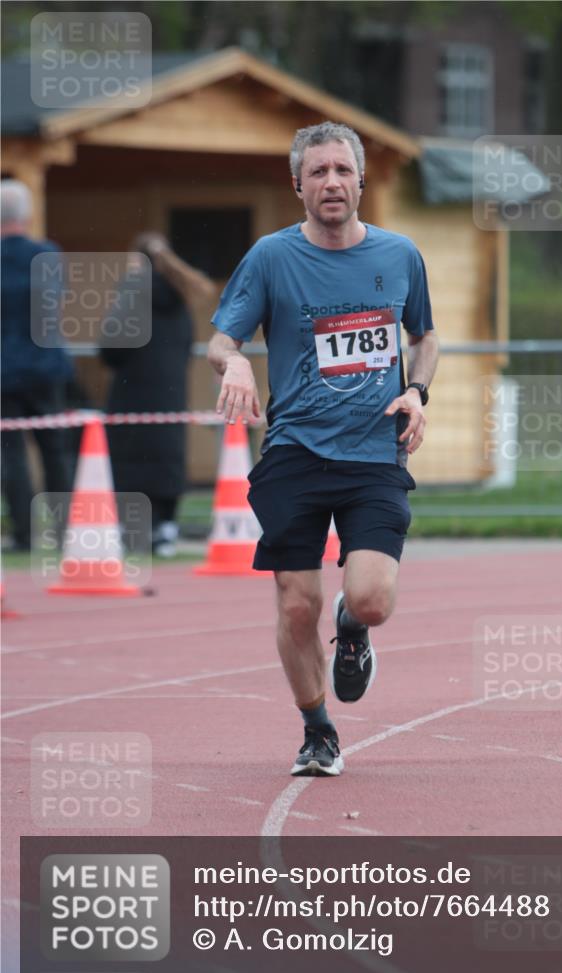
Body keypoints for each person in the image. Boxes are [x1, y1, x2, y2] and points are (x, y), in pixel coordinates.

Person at [208, 122, 439, 777]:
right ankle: (318, 732)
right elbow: (221, 340)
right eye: (318, 172)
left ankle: (353, 626)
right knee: (294, 603)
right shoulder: (270, 257)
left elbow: (424, 336)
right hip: (295, 450)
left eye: (342, 170)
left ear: (360, 180)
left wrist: (416, 391)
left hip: (373, 452)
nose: (331, 182)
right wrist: (235, 364)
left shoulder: (400, 255)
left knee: (371, 600)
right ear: (297, 184)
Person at [100, 233, 215, 557]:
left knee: (129, 461)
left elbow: (110, 348)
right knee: (167, 459)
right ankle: (165, 528)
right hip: (170, 395)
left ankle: (133, 528)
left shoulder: (132, 294)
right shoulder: (179, 298)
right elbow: (185, 346)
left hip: (131, 393)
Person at [1, 180, 74, 551]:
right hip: (46, 368)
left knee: (11, 454)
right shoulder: (46, 254)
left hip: (4, 372)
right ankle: (64, 531)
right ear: (27, 217)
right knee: (55, 452)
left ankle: (24, 534)